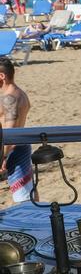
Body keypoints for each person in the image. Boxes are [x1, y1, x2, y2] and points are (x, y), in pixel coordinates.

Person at [0, 59, 33, 203]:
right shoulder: (20, 93)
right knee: (29, 194)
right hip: (21, 146)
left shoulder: (10, 98)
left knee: (23, 199)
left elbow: (10, 132)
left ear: (2, 76)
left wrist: (2, 157)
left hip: (12, 150)